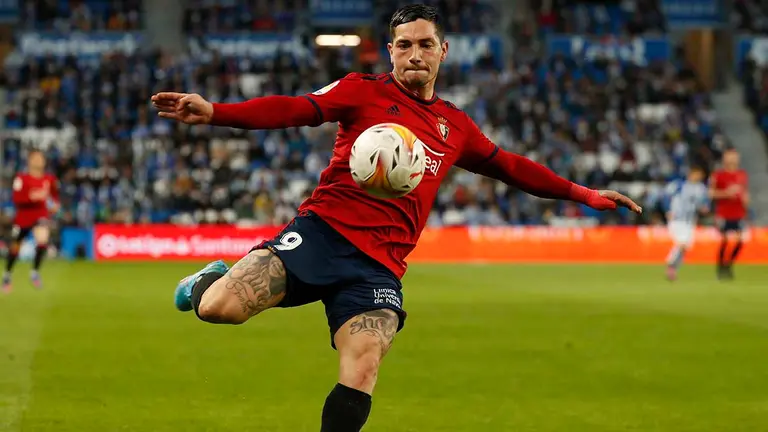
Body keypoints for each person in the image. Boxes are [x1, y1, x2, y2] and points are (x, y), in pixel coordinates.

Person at [151, 5, 642, 431]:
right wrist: (217, 111)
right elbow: (296, 109)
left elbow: (509, 165)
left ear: (443, 51)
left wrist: (582, 193)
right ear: (390, 51)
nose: (414, 54)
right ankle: (209, 279)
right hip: (321, 234)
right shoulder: (360, 91)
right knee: (218, 308)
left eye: (425, 44)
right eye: (404, 45)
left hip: (378, 267)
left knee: (363, 365)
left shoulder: (456, 127)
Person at [3, 149, 59, 292]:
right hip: (23, 218)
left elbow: (54, 197)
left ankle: (34, 272)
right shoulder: (21, 178)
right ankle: (8, 274)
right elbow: (16, 199)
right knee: (15, 247)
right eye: (36, 158)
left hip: (40, 215)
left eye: (41, 158)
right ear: (29, 161)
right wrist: (32, 197)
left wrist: (55, 205)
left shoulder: (49, 179)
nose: (39, 161)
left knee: (42, 239)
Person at [709, 148, 749, 280]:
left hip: (738, 212)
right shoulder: (718, 175)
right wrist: (726, 193)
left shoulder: (742, 174)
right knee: (725, 240)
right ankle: (720, 268)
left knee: (739, 241)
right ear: (725, 159)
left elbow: (745, 192)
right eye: (730, 156)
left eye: (735, 156)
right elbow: (711, 193)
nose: (733, 159)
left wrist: (746, 200)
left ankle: (728, 265)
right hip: (724, 213)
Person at [664, 166, 709, 281]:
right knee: (682, 244)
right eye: (696, 174)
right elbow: (665, 196)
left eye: (700, 175)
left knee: (685, 247)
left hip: (690, 221)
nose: (698, 176)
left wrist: (704, 208)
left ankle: (673, 269)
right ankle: (670, 263)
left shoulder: (701, 188)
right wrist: (667, 209)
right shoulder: (679, 185)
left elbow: (703, 202)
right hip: (677, 219)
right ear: (691, 174)